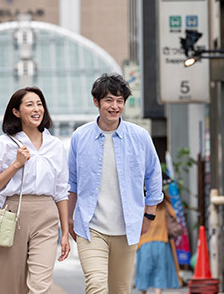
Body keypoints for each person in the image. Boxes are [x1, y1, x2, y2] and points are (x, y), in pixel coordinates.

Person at [68, 73, 164, 293]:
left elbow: (154, 178)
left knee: (120, 289)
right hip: (90, 227)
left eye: (120, 101)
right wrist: (69, 220)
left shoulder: (140, 137)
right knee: (96, 285)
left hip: (127, 227)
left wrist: (149, 216)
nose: (115, 106)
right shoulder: (79, 137)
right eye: (109, 100)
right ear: (96, 102)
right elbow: (71, 183)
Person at [0, 86, 70, 294]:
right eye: (29, 105)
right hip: (12, 214)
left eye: (39, 104)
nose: (36, 109)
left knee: (40, 285)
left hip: (46, 214)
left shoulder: (55, 145)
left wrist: (65, 232)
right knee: (9, 286)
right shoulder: (3, 144)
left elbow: (61, 191)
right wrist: (16, 164)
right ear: (16, 112)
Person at [134, 192, 182, 293]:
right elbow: (174, 216)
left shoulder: (141, 202)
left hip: (144, 242)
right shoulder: (164, 203)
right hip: (161, 240)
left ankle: (144, 292)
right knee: (160, 272)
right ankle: (157, 292)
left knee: (144, 271)